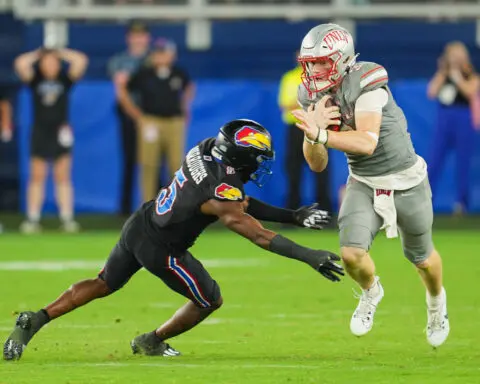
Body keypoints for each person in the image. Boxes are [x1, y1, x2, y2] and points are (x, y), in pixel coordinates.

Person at [3, 119, 344, 361]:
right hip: (163, 249)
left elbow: (234, 199)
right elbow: (257, 233)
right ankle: (151, 341)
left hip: (141, 222)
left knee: (103, 282)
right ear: (239, 156)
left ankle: (35, 319)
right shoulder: (221, 188)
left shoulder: (207, 149)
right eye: (256, 158)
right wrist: (309, 255)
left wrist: (294, 215)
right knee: (210, 299)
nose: (258, 165)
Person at [292, 24, 449, 348]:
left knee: (422, 259)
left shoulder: (367, 81)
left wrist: (322, 134)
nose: (314, 69)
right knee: (350, 254)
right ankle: (370, 291)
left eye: (322, 61)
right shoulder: (312, 94)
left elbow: (366, 141)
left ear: (342, 58)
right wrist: (312, 134)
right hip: (363, 182)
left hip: (406, 181)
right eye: (310, 62)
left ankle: (436, 304)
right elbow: (317, 163)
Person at [14, 47, 88, 233]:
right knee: (37, 176)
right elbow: (20, 64)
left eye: (53, 62)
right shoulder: (35, 80)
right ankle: (32, 219)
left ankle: (67, 218)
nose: (50, 65)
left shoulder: (65, 80)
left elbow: (81, 60)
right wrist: (39, 53)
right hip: (40, 131)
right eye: (46, 62)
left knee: (62, 176)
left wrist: (59, 52)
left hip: (60, 131)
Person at [119, 37, 195, 203]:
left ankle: (178, 205)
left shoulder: (178, 73)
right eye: (157, 53)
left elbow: (189, 88)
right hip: (151, 121)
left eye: (163, 53)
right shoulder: (144, 73)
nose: (160, 57)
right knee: (149, 165)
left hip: (174, 121)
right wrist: (137, 116)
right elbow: (123, 90)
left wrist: (185, 106)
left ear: (171, 55)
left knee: (176, 164)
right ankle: (147, 207)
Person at [427, 41, 480, 215]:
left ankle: (461, 203)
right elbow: (431, 92)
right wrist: (443, 71)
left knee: (463, 163)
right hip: (444, 120)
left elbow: (470, 91)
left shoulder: (471, 76)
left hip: (463, 120)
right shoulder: (443, 75)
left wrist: (457, 75)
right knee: (434, 161)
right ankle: (427, 199)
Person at [278, 52, 332, 213]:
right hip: (296, 129)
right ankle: (292, 213)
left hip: (317, 127)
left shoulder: (322, 78)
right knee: (293, 171)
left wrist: (303, 102)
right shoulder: (289, 78)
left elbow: (328, 102)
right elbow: (286, 105)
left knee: (321, 170)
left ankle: (324, 212)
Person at [108, 21, 151, 216]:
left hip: (153, 115)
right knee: (130, 160)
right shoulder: (119, 61)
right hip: (129, 115)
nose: (138, 39)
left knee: (153, 161)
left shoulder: (153, 59)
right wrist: (136, 115)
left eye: (141, 35)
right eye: (135, 35)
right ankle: (125, 209)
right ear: (128, 38)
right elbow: (120, 91)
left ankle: (159, 205)